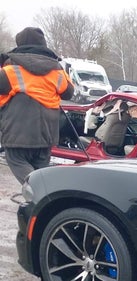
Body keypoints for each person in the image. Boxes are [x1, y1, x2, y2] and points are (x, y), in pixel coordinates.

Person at [0, 27, 74, 184]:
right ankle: (44, 201)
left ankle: (42, 195)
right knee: (40, 172)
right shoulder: (57, 71)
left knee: (22, 167)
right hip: (47, 134)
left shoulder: (11, 70)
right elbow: (68, 93)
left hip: (18, 134)